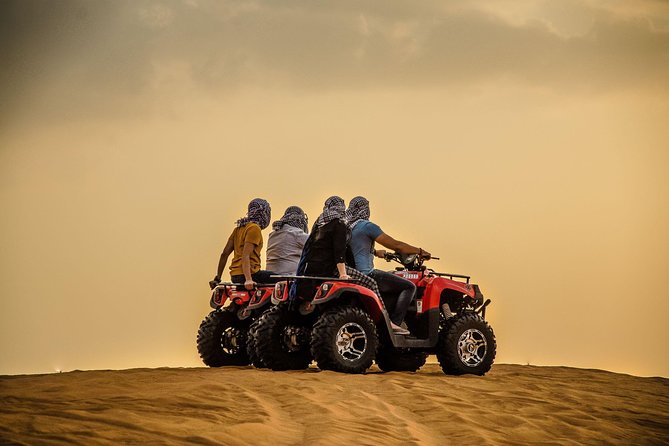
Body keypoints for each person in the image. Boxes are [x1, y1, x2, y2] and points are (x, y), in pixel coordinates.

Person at [345, 196, 431, 335]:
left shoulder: (348, 227)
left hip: (352, 274)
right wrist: (420, 251)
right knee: (409, 286)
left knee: (390, 277)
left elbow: (356, 248)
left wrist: (376, 252)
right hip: (367, 273)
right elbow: (397, 246)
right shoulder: (367, 226)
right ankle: (395, 324)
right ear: (365, 210)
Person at [293, 196, 380, 302]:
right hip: (330, 268)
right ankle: (382, 317)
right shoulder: (339, 224)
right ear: (341, 207)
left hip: (312, 269)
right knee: (372, 283)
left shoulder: (318, 225)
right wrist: (343, 274)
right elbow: (339, 251)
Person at [210, 198, 275, 291]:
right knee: (286, 280)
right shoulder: (254, 228)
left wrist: (218, 277)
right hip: (252, 274)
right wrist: (248, 279)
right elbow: (246, 255)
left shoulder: (238, 229)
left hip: (235, 276)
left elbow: (224, 254)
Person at [266, 206, 309, 275]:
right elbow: (316, 244)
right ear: (300, 220)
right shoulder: (296, 233)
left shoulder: (272, 234)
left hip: (271, 275)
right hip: (290, 277)